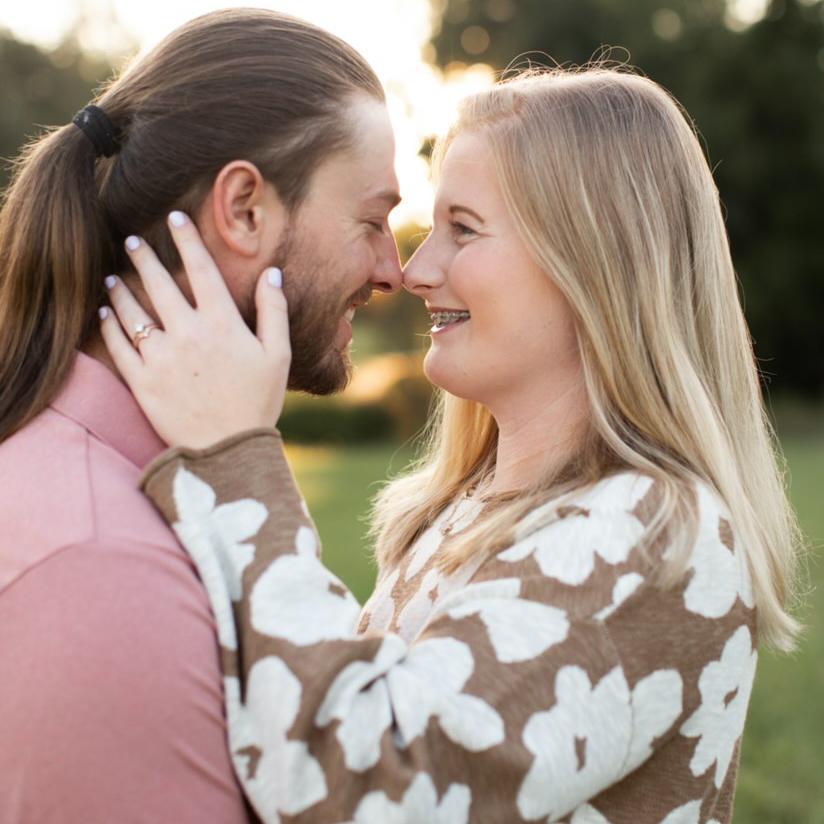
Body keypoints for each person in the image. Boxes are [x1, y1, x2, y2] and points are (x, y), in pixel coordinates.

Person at [100, 65, 804, 824]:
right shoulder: (468, 509)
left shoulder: (657, 539)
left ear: (594, 261)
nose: (414, 269)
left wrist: (236, 459)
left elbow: (370, 794)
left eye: (463, 229)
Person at [0, 8, 403, 821]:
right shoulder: (105, 570)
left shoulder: (108, 489)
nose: (393, 269)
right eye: (372, 220)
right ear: (245, 209)